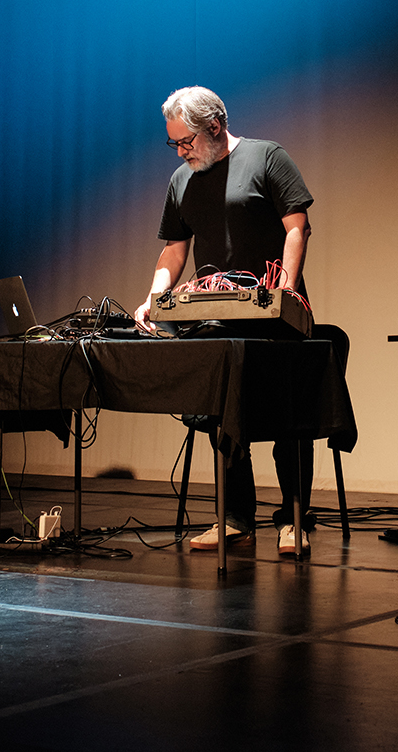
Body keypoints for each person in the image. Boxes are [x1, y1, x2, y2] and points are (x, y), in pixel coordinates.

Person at [133, 86, 317, 556]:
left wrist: (285, 290)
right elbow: (175, 249)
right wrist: (155, 298)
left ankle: (294, 518)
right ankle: (236, 517)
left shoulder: (267, 157)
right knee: (225, 416)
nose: (180, 151)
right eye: (174, 143)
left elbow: (296, 226)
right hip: (216, 318)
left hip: (275, 313)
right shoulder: (182, 179)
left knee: (286, 416)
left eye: (187, 141)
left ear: (214, 127)